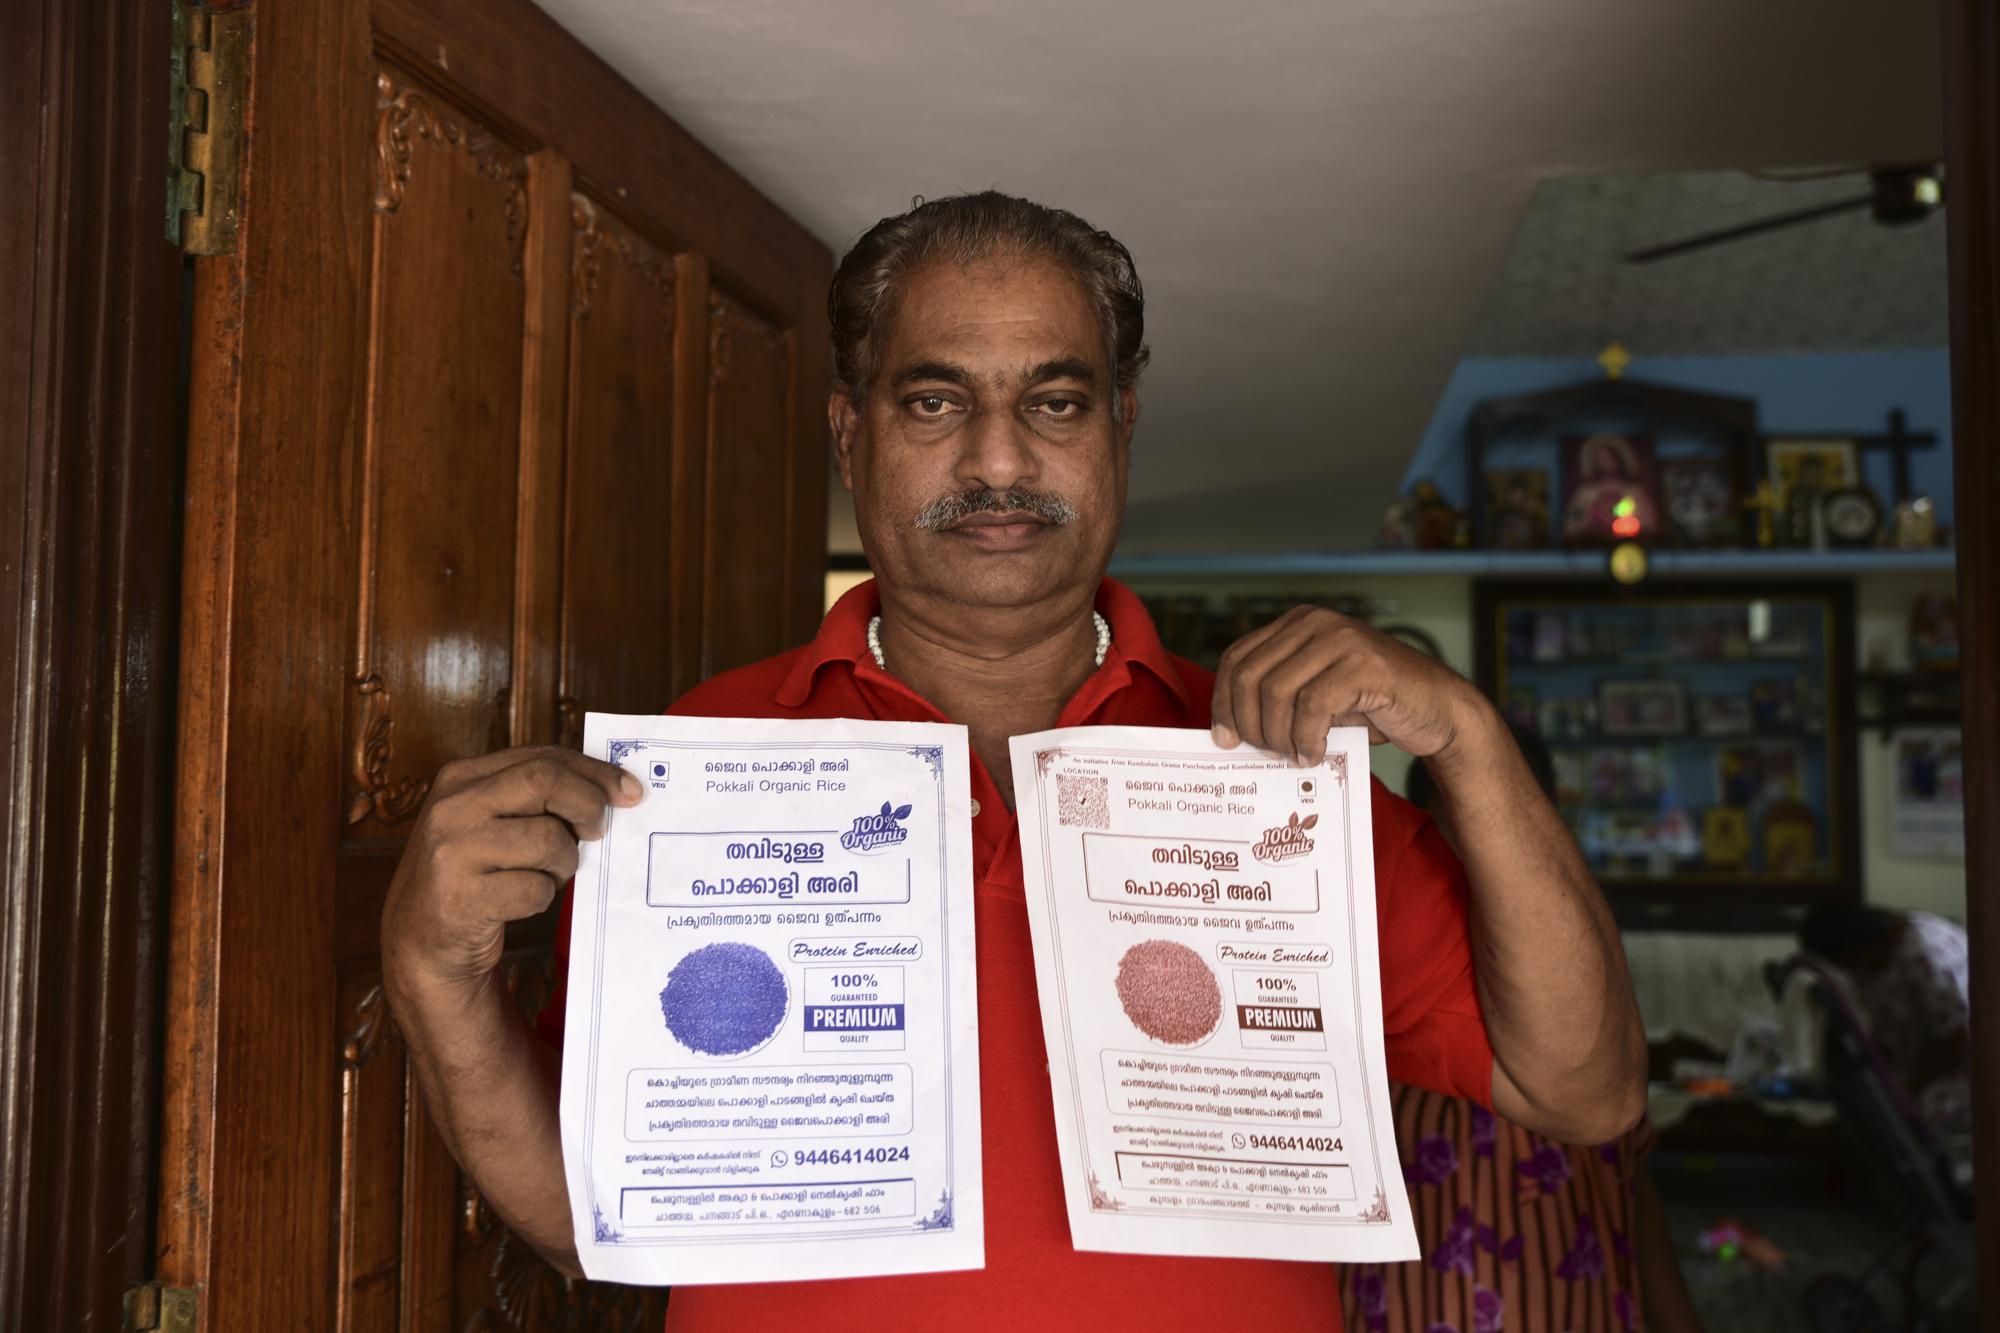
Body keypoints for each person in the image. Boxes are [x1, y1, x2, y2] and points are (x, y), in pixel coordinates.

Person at [380, 191, 1648, 1330]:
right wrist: (433, 968)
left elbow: (1582, 1090)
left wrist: (1469, 742)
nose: (997, 460)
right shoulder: (702, 761)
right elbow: (598, 1220)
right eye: (935, 400)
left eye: (1053, 400)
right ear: (849, 432)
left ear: (1118, 428)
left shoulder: (1275, 768)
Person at [1342, 733, 1701, 1333]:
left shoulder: (1581, 1001)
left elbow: (1630, 1185)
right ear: (1421, 833)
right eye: (1451, 825)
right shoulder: (1368, 972)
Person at [1799, 903, 1971, 1160]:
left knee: (1918, 1113)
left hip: (1962, 1069)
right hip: (1920, 1065)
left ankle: (1949, 1187)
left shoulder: (1926, 954)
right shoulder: (1873, 961)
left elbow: (1953, 1043)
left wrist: (1906, 1090)